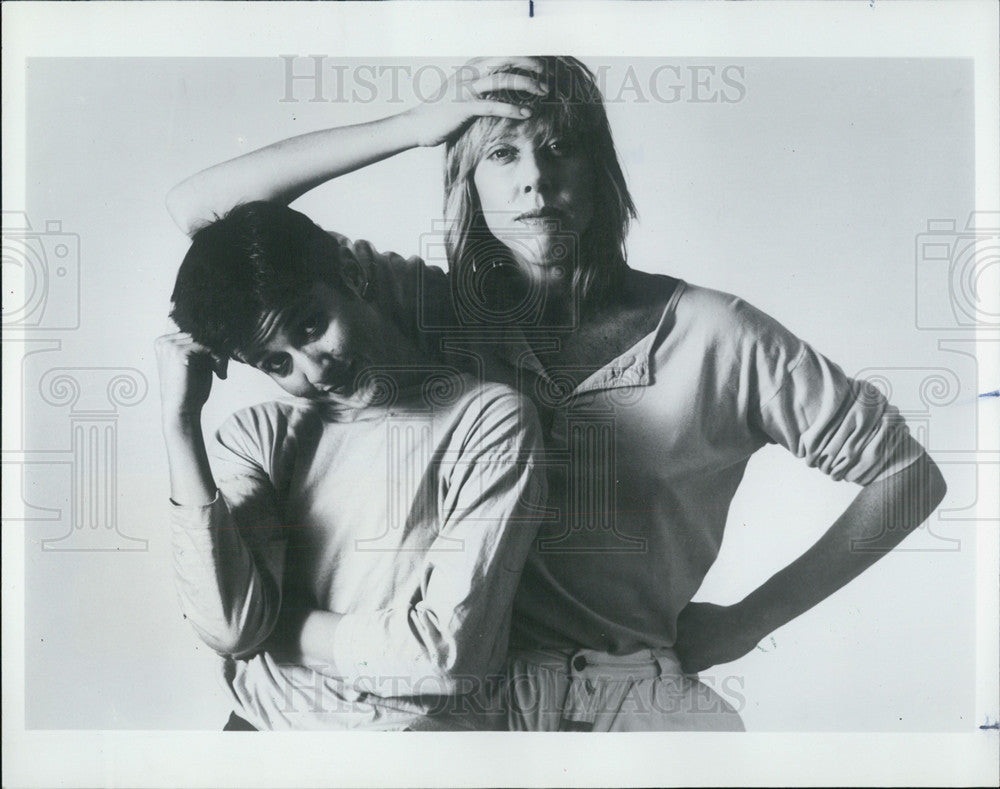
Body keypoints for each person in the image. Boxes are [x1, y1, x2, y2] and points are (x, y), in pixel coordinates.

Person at [165, 57, 947, 731]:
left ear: (602, 172)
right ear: (468, 184)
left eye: (560, 146)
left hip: (616, 698)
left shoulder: (719, 336)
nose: (534, 178)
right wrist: (415, 124)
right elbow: (206, 215)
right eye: (501, 153)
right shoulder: (433, 309)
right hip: (453, 707)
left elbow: (908, 475)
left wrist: (751, 621)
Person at [157, 200, 544, 730]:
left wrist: (278, 629)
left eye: (312, 325)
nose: (315, 370)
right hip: (255, 734)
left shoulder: (488, 420)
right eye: (277, 362)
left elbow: (443, 659)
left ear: (354, 274)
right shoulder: (257, 437)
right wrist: (180, 425)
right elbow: (229, 629)